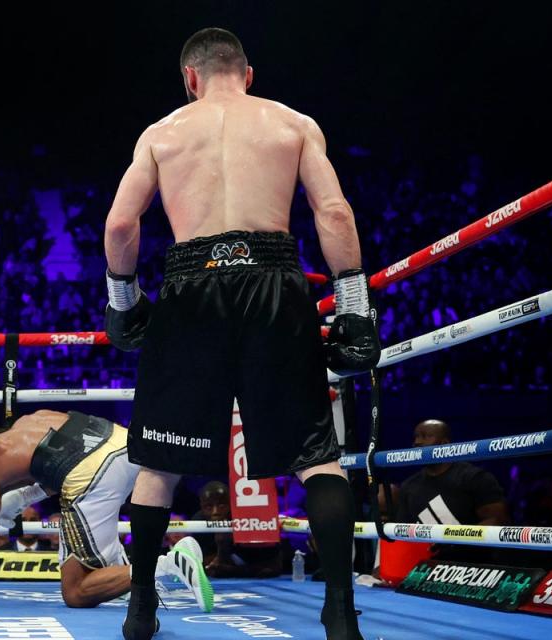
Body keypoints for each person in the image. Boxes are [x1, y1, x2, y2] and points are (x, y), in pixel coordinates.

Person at [102, 28, 380, 640]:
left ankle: (141, 605)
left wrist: (123, 302)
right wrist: (355, 306)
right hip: (275, 282)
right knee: (316, 457)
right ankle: (340, 611)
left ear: (189, 78)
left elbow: (122, 225)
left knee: (159, 465)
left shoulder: (162, 134)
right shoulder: (292, 124)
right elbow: (333, 213)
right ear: (248, 74)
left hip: (191, 283)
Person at [0, 410, 211, 610]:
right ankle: (127, 577)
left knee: (75, 591)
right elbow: (68, 459)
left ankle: (168, 565)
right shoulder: (30, 422)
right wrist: (23, 497)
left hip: (93, 474)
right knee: (91, 543)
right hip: (127, 446)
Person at [394, 419, 509, 562]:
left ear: (444, 444)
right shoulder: (409, 486)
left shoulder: (473, 477)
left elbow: (497, 520)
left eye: (425, 436)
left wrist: (452, 537)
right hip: (425, 569)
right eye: (416, 437)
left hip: (473, 567)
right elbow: (401, 533)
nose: (417, 442)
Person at [193, 482, 283, 579]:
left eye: (222, 505)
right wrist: (222, 549)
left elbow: (272, 566)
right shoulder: (198, 523)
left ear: (231, 504)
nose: (216, 512)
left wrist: (229, 566)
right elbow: (206, 564)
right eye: (209, 507)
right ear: (201, 506)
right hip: (237, 569)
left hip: (258, 562)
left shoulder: (247, 518)